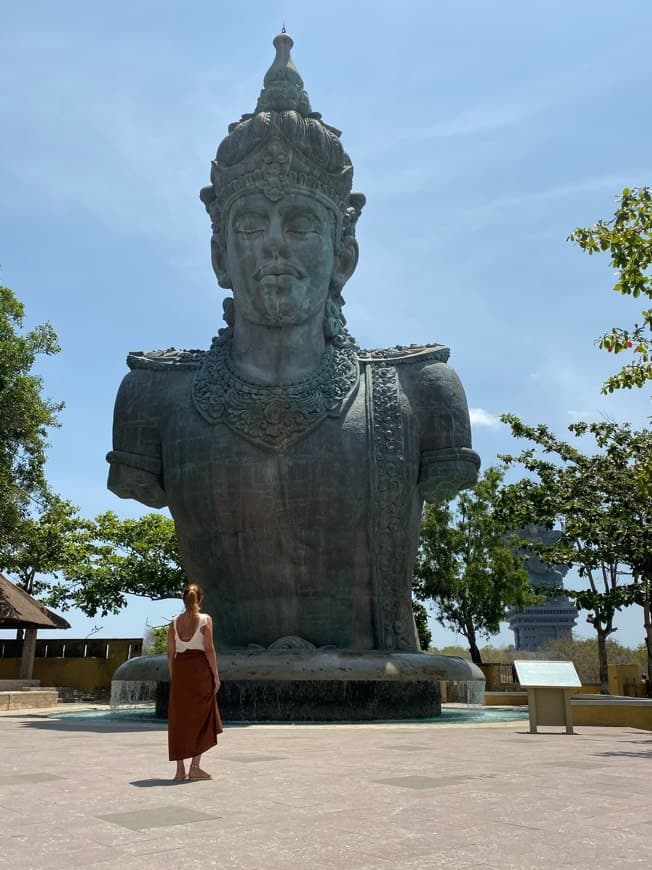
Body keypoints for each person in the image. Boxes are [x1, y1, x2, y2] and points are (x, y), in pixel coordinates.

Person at [167, 583, 222, 781]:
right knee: (202, 717)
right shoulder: (206, 620)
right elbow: (209, 649)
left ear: (184, 599)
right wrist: (215, 676)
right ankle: (195, 767)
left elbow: (170, 652)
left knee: (179, 719)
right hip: (199, 671)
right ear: (200, 599)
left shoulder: (174, 622)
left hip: (181, 670)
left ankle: (180, 770)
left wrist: (174, 676)